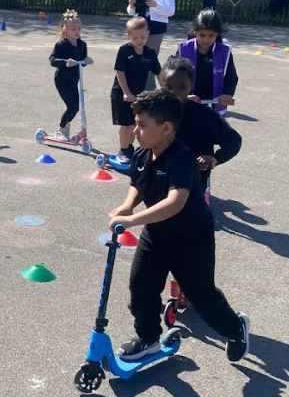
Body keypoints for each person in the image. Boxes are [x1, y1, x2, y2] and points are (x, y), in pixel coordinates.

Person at [107, 89, 249, 362]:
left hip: (191, 239)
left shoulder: (182, 159)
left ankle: (236, 328)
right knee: (141, 288)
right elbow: (138, 183)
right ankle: (148, 338)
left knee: (202, 297)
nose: (136, 131)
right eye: (135, 124)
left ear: (166, 128)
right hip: (157, 233)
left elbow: (175, 202)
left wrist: (132, 220)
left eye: (142, 125)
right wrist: (127, 206)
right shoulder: (142, 154)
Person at [162, 55, 241, 193]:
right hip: (161, 178)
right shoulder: (153, 111)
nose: (175, 93)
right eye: (169, 87)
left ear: (191, 85)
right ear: (161, 84)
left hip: (194, 181)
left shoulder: (205, 116)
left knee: (190, 211)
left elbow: (233, 140)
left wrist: (215, 158)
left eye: (182, 87)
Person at [111, 17, 162, 164]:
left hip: (138, 95)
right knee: (126, 124)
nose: (139, 40)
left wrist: (166, 90)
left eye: (142, 37)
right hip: (121, 93)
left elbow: (159, 73)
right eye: (135, 37)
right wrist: (126, 92)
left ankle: (129, 149)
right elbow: (120, 73)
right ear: (128, 36)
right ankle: (123, 149)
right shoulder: (124, 51)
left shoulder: (150, 53)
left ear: (148, 33)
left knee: (135, 124)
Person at [176, 9, 238, 115]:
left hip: (215, 105)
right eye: (202, 35)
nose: (206, 40)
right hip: (189, 103)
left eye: (211, 36)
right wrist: (183, 95)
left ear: (217, 34)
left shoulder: (224, 52)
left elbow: (231, 77)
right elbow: (174, 75)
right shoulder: (184, 49)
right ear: (195, 32)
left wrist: (227, 94)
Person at [127, 0, 175, 90]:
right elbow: (131, 12)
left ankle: (149, 89)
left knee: (148, 59)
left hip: (156, 29)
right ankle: (147, 87)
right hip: (140, 28)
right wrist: (131, 5)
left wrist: (156, 5)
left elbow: (171, 11)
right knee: (140, 58)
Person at [48, 9, 93, 141]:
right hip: (62, 80)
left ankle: (65, 128)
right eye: (73, 29)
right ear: (65, 29)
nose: (77, 31)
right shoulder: (61, 45)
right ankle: (61, 129)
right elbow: (52, 60)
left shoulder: (82, 45)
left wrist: (86, 61)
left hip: (74, 80)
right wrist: (65, 62)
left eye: (79, 28)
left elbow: (82, 60)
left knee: (76, 107)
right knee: (72, 106)